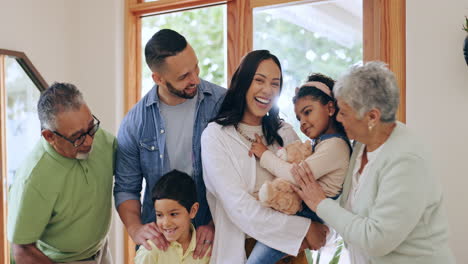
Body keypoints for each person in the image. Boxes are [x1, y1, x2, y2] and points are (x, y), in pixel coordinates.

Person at [292, 61, 455, 264]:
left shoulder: (407, 161)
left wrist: (320, 204)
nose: (339, 119)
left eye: (344, 112)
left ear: (372, 117)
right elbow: (350, 214)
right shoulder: (361, 144)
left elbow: (376, 240)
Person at [201, 50, 329, 264]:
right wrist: (304, 228)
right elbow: (239, 207)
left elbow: (311, 186)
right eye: (259, 80)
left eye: (275, 83)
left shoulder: (284, 132)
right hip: (246, 251)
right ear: (243, 82)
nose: (268, 90)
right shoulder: (215, 136)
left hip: (292, 254)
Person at [114, 29, 225, 259]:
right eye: (184, 76)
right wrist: (135, 229)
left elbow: (239, 177)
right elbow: (126, 188)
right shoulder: (135, 123)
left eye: (195, 67)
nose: (195, 78)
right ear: (158, 78)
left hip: (213, 237)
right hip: (162, 245)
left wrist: (216, 223)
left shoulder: (222, 104)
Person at [247, 73, 351, 263]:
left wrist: (264, 154)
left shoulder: (335, 146)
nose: (302, 122)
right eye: (298, 117)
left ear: (330, 108)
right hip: (304, 212)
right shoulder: (324, 143)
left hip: (309, 215)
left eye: (308, 111)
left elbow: (296, 176)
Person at [7, 82, 116, 263]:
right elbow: (21, 250)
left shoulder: (101, 139)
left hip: (101, 251)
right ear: (50, 137)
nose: (89, 141)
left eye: (91, 127)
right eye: (78, 137)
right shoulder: (33, 179)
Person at [134, 170, 210, 263]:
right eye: (159, 215)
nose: (166, 223)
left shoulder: (207, 250)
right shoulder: (149, 251)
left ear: (193, 210)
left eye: (173, 214)